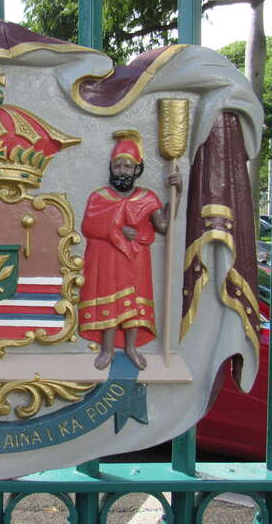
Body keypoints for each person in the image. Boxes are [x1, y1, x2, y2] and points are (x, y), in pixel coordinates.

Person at [79, 131, 181, 370]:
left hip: (136, 261)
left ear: (137, 169)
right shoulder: (99, 197)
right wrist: (116, 230)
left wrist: (179, 193)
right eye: (118, 166)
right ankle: (107, 349)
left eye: (128, 166)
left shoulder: (148, 198)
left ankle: (131, 347)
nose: (123, 170)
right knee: (110, 302)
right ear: (111, 168)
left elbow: (164, 226)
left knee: (134, 304)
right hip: (109, 260)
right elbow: (89, 226)